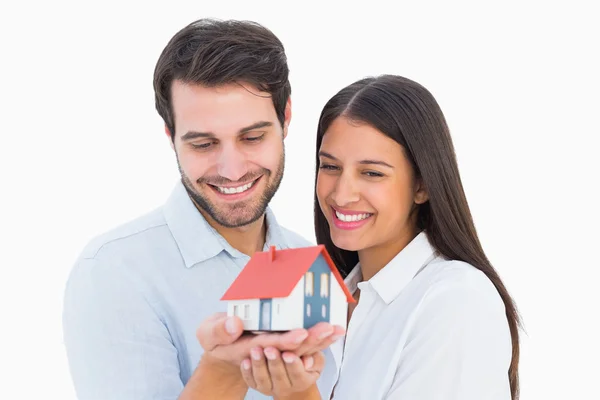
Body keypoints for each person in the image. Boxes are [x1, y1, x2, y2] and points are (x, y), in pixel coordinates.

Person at [62, 18, 345, 400]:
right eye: (203, 144)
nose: (232, 170)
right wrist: (222, 371)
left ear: (286, 119)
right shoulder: (113, 272)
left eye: (252, 137)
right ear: (171, 136)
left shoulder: (312, 266)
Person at [239, 74, 522, 399]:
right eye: (330, 167)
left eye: (372, 173)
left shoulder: (456, 301)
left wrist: (297, 393)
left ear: (422, 186)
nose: (342, 195)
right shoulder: (322, 297)